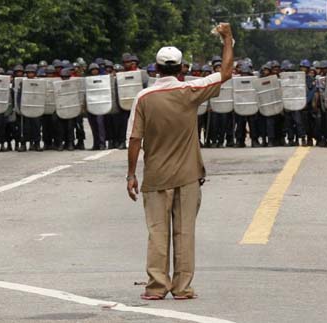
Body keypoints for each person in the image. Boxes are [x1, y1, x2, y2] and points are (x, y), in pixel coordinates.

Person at [126, 22, 233, 300]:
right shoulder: (190, 92)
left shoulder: (143, 97)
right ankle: (182, 288)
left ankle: (156, 287)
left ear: (156, 68)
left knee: (157, 234)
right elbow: (225, 73)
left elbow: (134, 140)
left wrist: (130, 175)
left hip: (155, 177)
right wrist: (228, 39)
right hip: (188, 176)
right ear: (182, 68)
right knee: (184, 234)